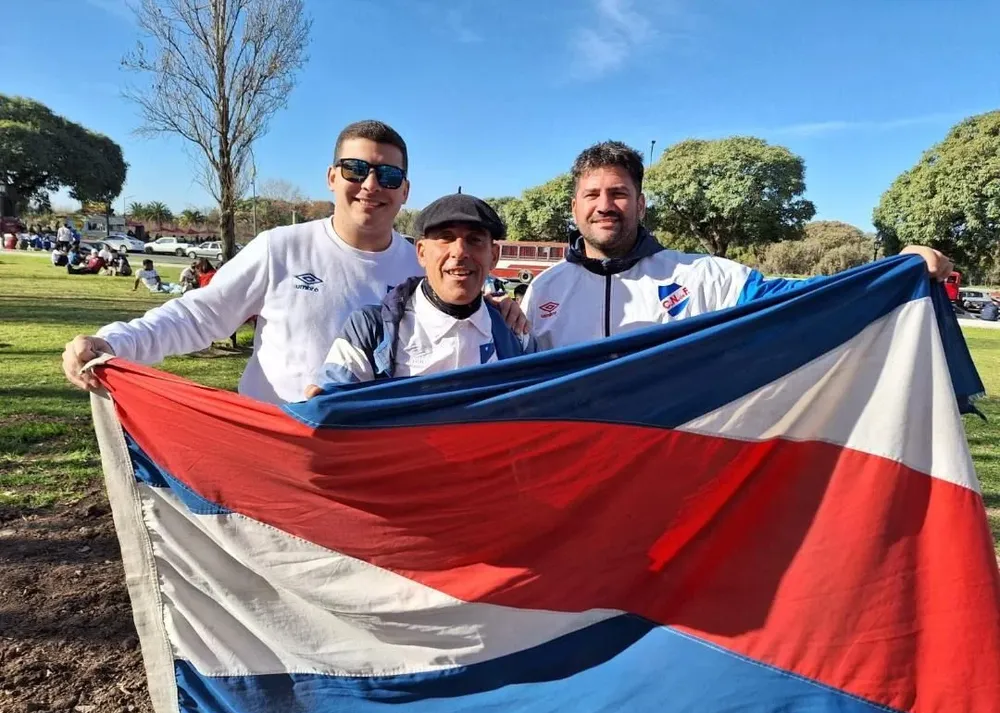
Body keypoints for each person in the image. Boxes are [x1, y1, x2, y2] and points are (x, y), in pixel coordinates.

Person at [62, 120, 522, 404]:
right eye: (355, 170)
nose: (371, 185)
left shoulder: (419, 265)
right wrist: (115, 342)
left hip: (372, 459)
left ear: (405, 191)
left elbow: (467, 315)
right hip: (277, 445)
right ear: (331, 177)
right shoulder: (279, 247)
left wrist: (500, 305)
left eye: (389, 175)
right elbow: (200, 315)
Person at [523, 141, 953, 350]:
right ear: (575, 207)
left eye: (618, 194)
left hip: (668, 469)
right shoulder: (545, 289)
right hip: (575, 477)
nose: (605, 206)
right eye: (592, 195)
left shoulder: (702, 276)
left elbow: (802, 298)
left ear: (640, 203)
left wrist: (893, 272)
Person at [309, 194, 530, 393]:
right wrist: (320, 408)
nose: (460, 251)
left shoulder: (514, 331)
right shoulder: (369, 329)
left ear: (493, 256)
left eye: (475, 240)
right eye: (446, 237)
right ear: (422, 253)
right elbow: (330, 410)